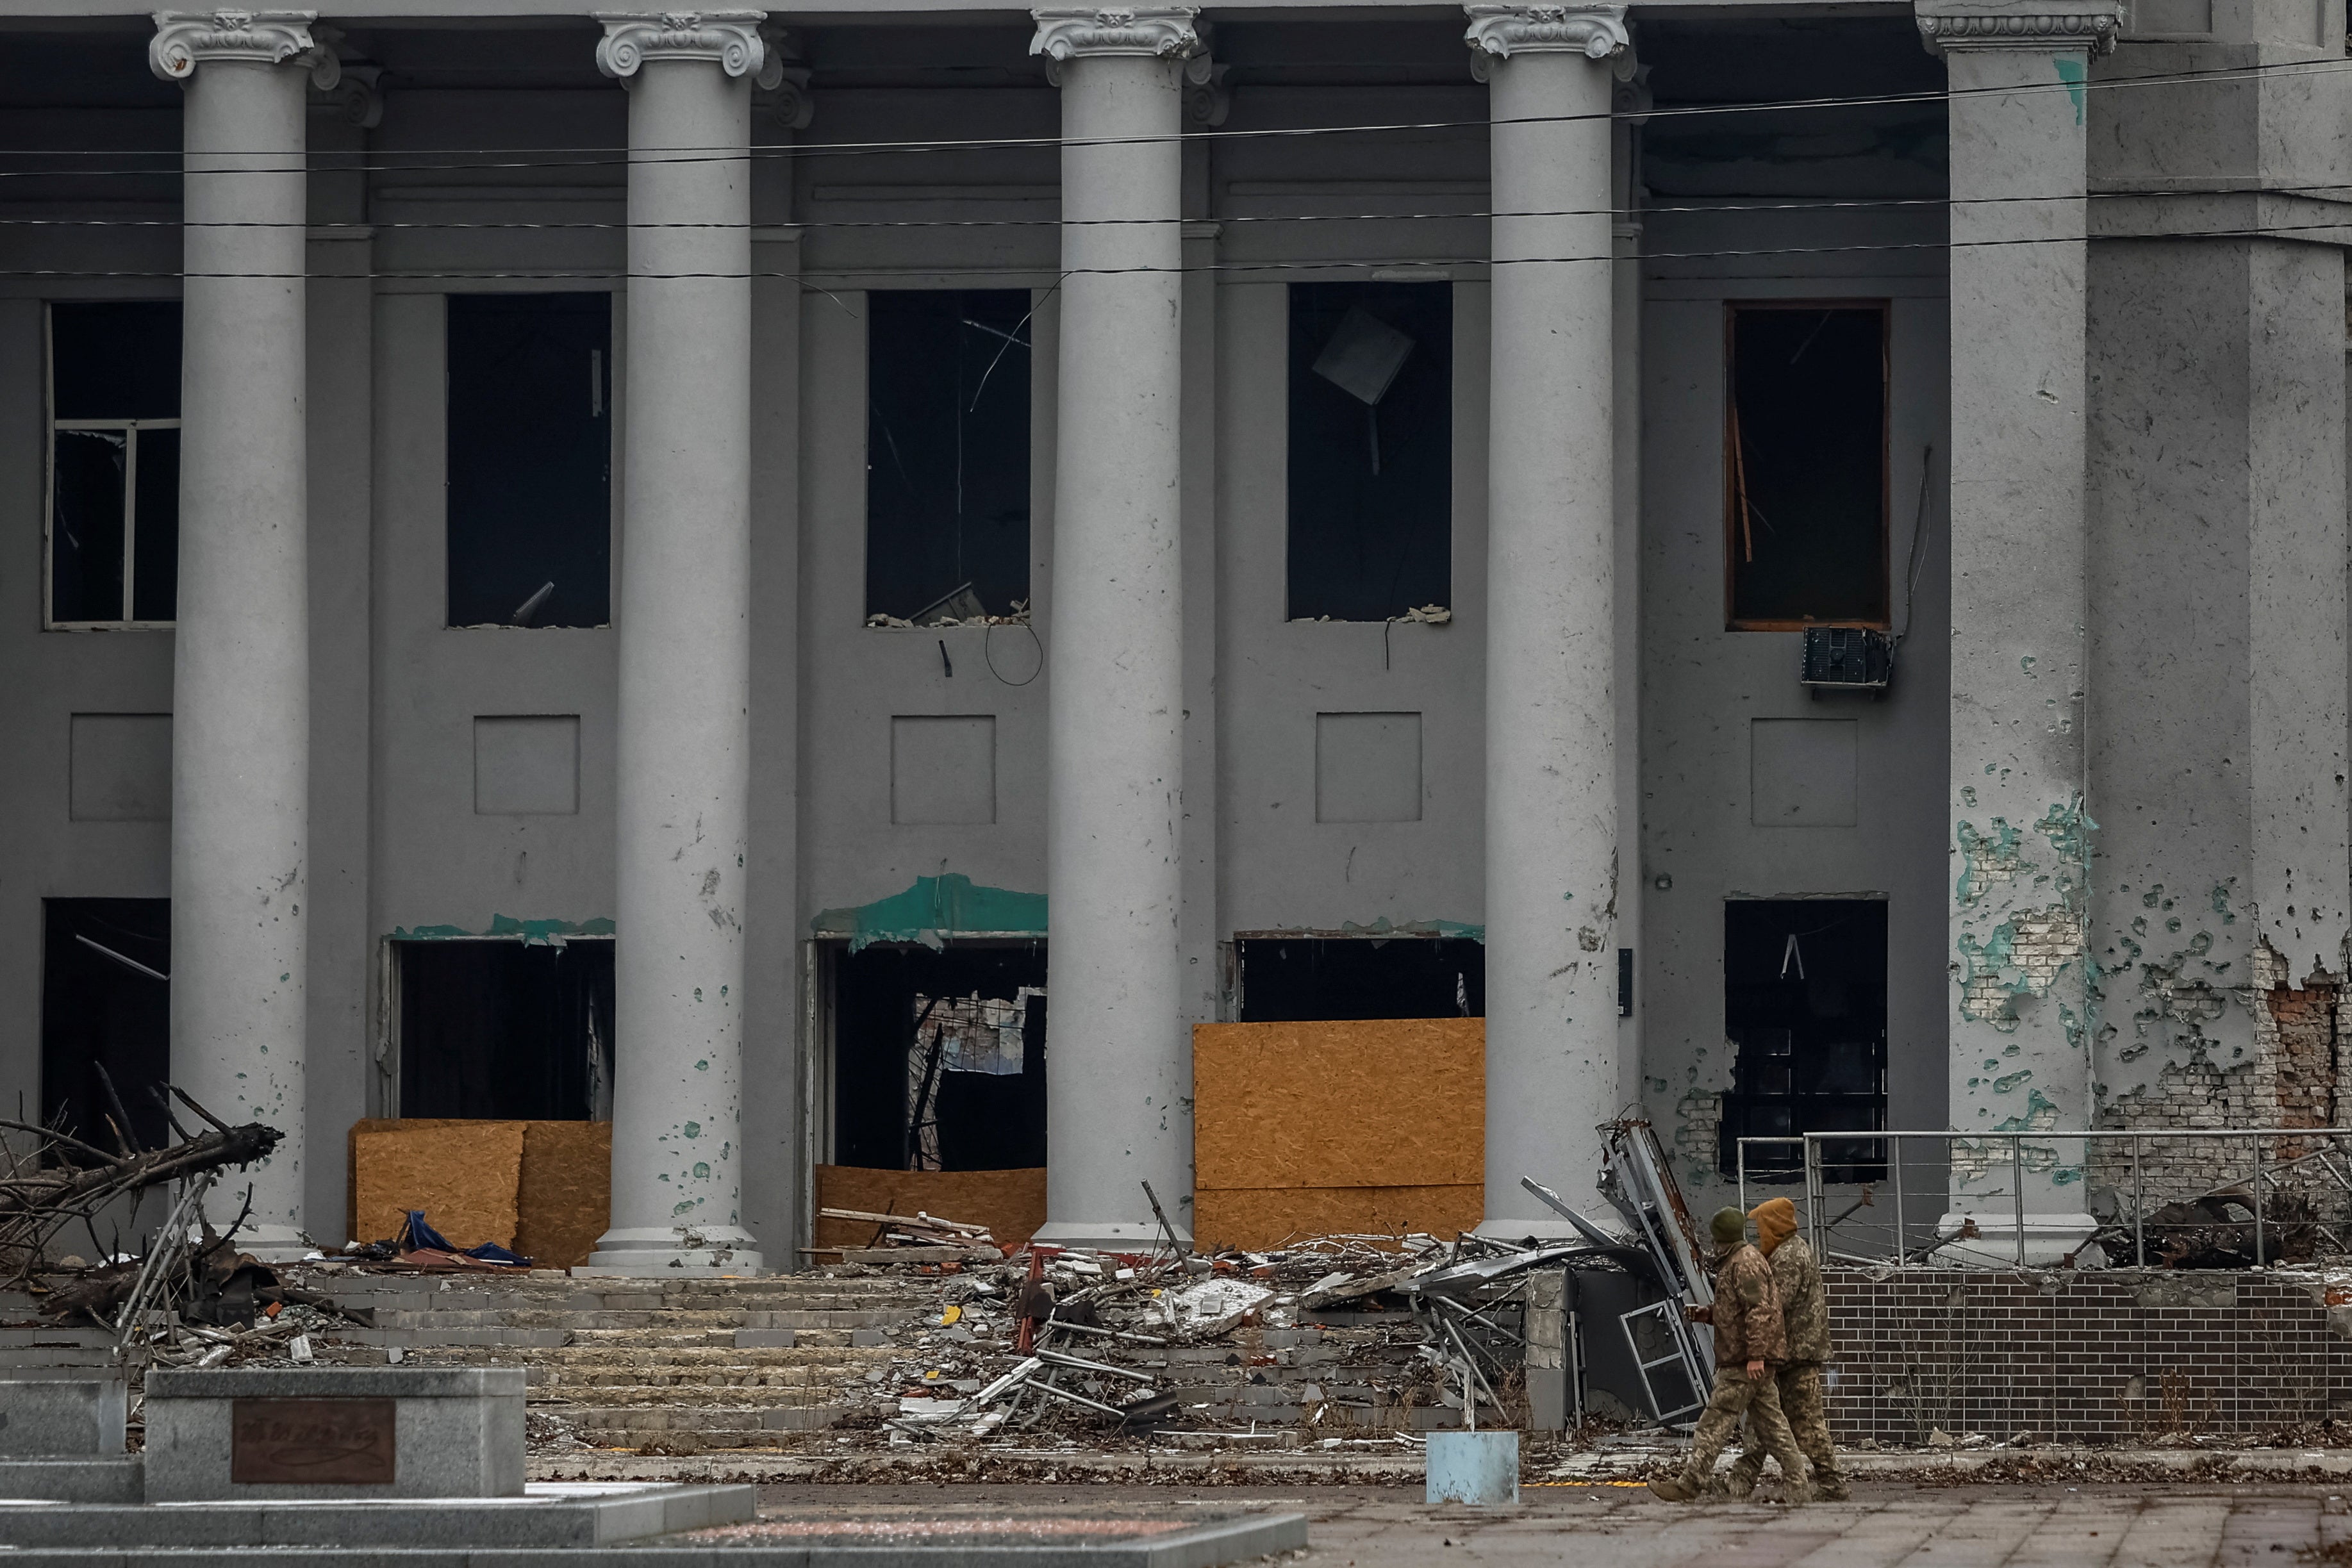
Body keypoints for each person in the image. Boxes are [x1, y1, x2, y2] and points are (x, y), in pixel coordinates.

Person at [1648, 1205, 1812, 1503]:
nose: (1712, 1244)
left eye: (1714, 1238)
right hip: (1751, 1361)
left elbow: (1759, 1311)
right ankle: (1799, 1489)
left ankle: (1690, 1483)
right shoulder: (1742, 1260)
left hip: (1742, 1363)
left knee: (1714, 1422)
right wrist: (1706, 1314)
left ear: (1722, 1238)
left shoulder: (1744, 1264)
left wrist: (1756, 1356)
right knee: (1775, 1429)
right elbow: (1736, 1312)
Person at [1722, 1196, 1849, 1500]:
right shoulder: (1789, 1251)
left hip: (1796, 1355)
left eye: (1762, 1226)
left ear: (1775, 1225)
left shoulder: (1789, 1256)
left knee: (1806, 1424)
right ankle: (1738, 1483)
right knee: (1761, 1421)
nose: (1758, 1234)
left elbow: (1773, 1303)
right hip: (1787, 1354)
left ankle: (1832, 1484)